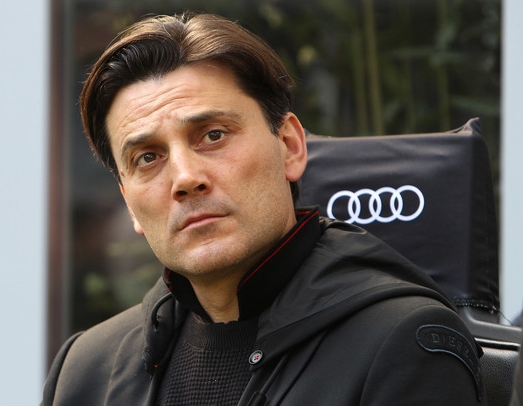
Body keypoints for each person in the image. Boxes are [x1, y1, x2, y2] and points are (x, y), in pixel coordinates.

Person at [42, 12, 486, 405]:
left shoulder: (403, 344)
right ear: (129, 203)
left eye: (213, 135)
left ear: (290, 146)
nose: (185, 178)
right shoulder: (85, 370)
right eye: (147, 157)